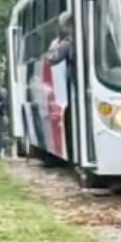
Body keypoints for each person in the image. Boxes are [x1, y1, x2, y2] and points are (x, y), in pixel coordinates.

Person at [47, 13, 75, 158]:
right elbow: (52, 58)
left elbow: (52, 58)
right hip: (74, 90)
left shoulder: (70, 42)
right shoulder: (67, 42)